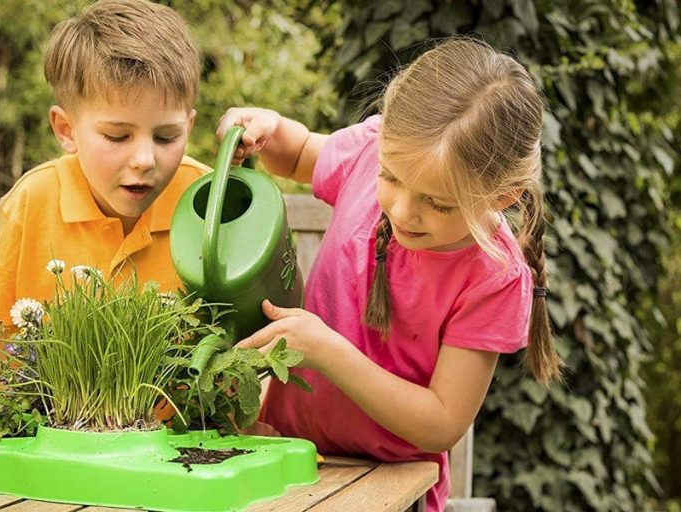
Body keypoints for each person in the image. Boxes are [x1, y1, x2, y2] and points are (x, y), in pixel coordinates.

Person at [221, 38, 564, 512]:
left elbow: (442, 422)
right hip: (283, 451)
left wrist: (326, 351)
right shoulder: (372, 149)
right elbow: (298, 154)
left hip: (393, 488)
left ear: (503, 196)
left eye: (438, 203)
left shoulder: (494, 277)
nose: (403, 211)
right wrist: (271, 130)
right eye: (391, 177)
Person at [0, 0, 206, 364]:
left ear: (188, 127)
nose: (145, 160)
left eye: (166, 137)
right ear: (66, 130)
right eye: (117, 136)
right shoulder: (29, 204)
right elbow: (2, 355)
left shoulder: (207, 201)